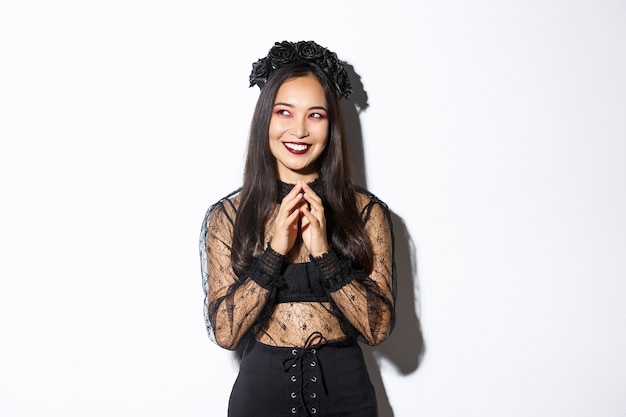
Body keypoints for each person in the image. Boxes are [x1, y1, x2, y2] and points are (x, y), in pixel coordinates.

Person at [199, 40, 396, 417]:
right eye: (284, 112)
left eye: (315, 115)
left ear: (332, 125)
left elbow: (378, 329)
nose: (299, 130)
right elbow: (225, 333)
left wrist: (324, 253)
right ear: (265, 120)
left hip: (347, 398)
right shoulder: (228, 216)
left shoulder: (366, 212)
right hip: (260, 398)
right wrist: (274, 253)